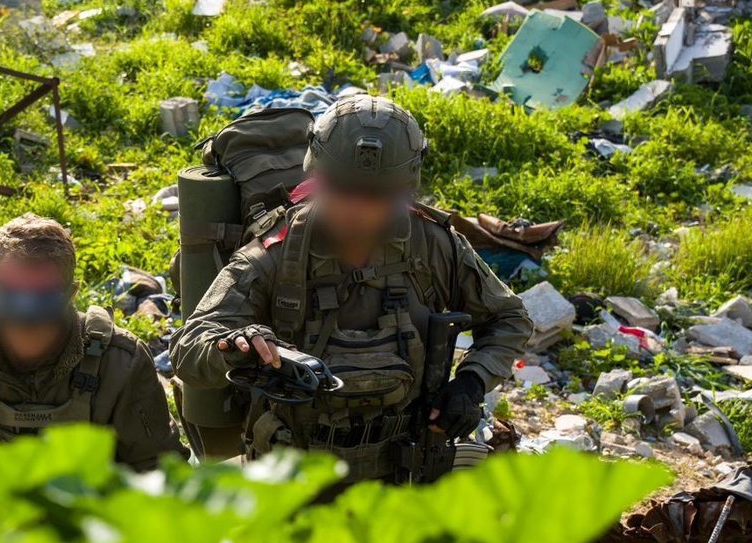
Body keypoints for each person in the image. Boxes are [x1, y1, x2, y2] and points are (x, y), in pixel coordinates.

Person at [170, 94, 532, 483]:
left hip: (404, 472)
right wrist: (234, 348)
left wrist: (471, 382)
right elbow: (189, 346)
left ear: (402, 190)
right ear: (317, 178)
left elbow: (509, 318)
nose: (355, 208)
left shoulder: (434, 246)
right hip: (293, 477)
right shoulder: (276, 252)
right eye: (341, 189)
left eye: (375, 195)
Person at [0, 214, 186, 472]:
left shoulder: (119, 362)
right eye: (9, 297)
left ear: (70, 294)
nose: (24, 318)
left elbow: (158, 468)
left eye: (43, 300)